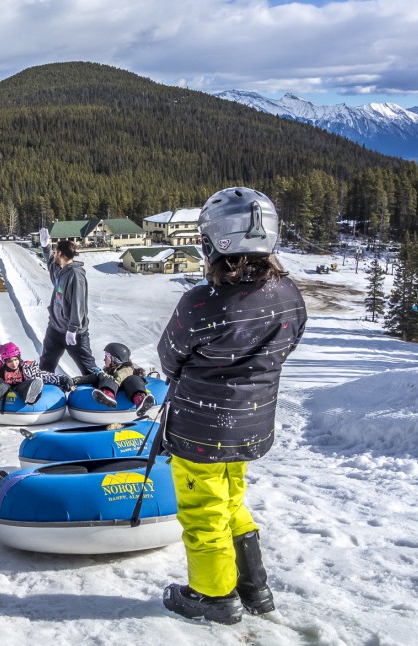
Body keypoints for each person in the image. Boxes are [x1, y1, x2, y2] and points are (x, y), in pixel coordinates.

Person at [157, 186, 307, 625]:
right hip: (252, 426)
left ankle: (212, 595)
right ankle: (253, 587)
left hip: (200, 429)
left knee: (204, 510)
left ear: (217, 241)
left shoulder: (202, 302)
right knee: (231, 499)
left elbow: (170, 356)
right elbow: (287, 343)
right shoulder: (288, 295)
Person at [37, 227, 99, 376]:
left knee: (88, 368)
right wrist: (46, 247)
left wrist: (72, 329)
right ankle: (45, 391)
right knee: (46, 364)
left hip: (74, 332)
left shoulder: (75, 275)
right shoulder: (61, 271)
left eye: (56, 251)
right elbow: (51, 263)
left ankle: (103, 390)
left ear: (62, 254)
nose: (54, 254)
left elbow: (79, 304)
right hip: (55, 328)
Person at [0, 342, 72, 405]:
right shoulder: (0, 368)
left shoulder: (26, 367)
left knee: (30, 383)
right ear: (4, 361)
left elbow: (44, 375)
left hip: (21, 387)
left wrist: (62, 379)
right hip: (4, 387)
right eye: (9, 361)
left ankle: (30, 395)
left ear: (19, 357)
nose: (14, 364)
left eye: (15, 360)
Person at [77, 342, 155, 416]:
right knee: (104, 377)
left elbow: (119, 378)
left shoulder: (127, 369)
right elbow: (91, 378)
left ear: (114, 359)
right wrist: (74, 380)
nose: (104, 360)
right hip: (115, 386)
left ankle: (140, 400)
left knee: (134, 379)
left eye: (106, 357)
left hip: (129, 386)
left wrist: (102, 375)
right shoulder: (108, 371)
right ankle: (108, 396)